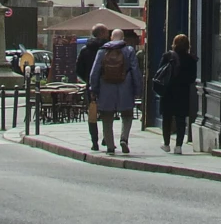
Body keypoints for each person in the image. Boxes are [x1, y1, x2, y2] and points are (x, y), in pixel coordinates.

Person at [87, 27, 142, 155]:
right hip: (125, 87)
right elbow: (135, 70)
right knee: (127, 115)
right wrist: (137, 89)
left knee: (107, 116)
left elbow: (94, 72)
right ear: (123, 39)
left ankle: (110, 146)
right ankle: (124, 138)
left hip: (106, 87)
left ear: (111, 38)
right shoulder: (129, 50)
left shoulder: (102, 51)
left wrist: (93, 88)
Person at [154, 33, 196, 153]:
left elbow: (159, 73)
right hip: (183, 92)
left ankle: (166, 144)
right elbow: (192, 78)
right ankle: (179, 146)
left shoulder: (168, 56)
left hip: (168, 91)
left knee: (167, 118)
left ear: (174, 44)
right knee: (181, 120)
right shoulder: (191, 59)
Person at [76, 24, 111, 149]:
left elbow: (78, 69)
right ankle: (107, 138)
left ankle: (94, 142)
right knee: (108, 113)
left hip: (91, 86)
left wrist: (87, 79)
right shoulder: (109, 49)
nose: (108, 34)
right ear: (102, 33)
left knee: (92, 113)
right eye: (106, 32)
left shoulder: (85, 49)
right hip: (107, 84)